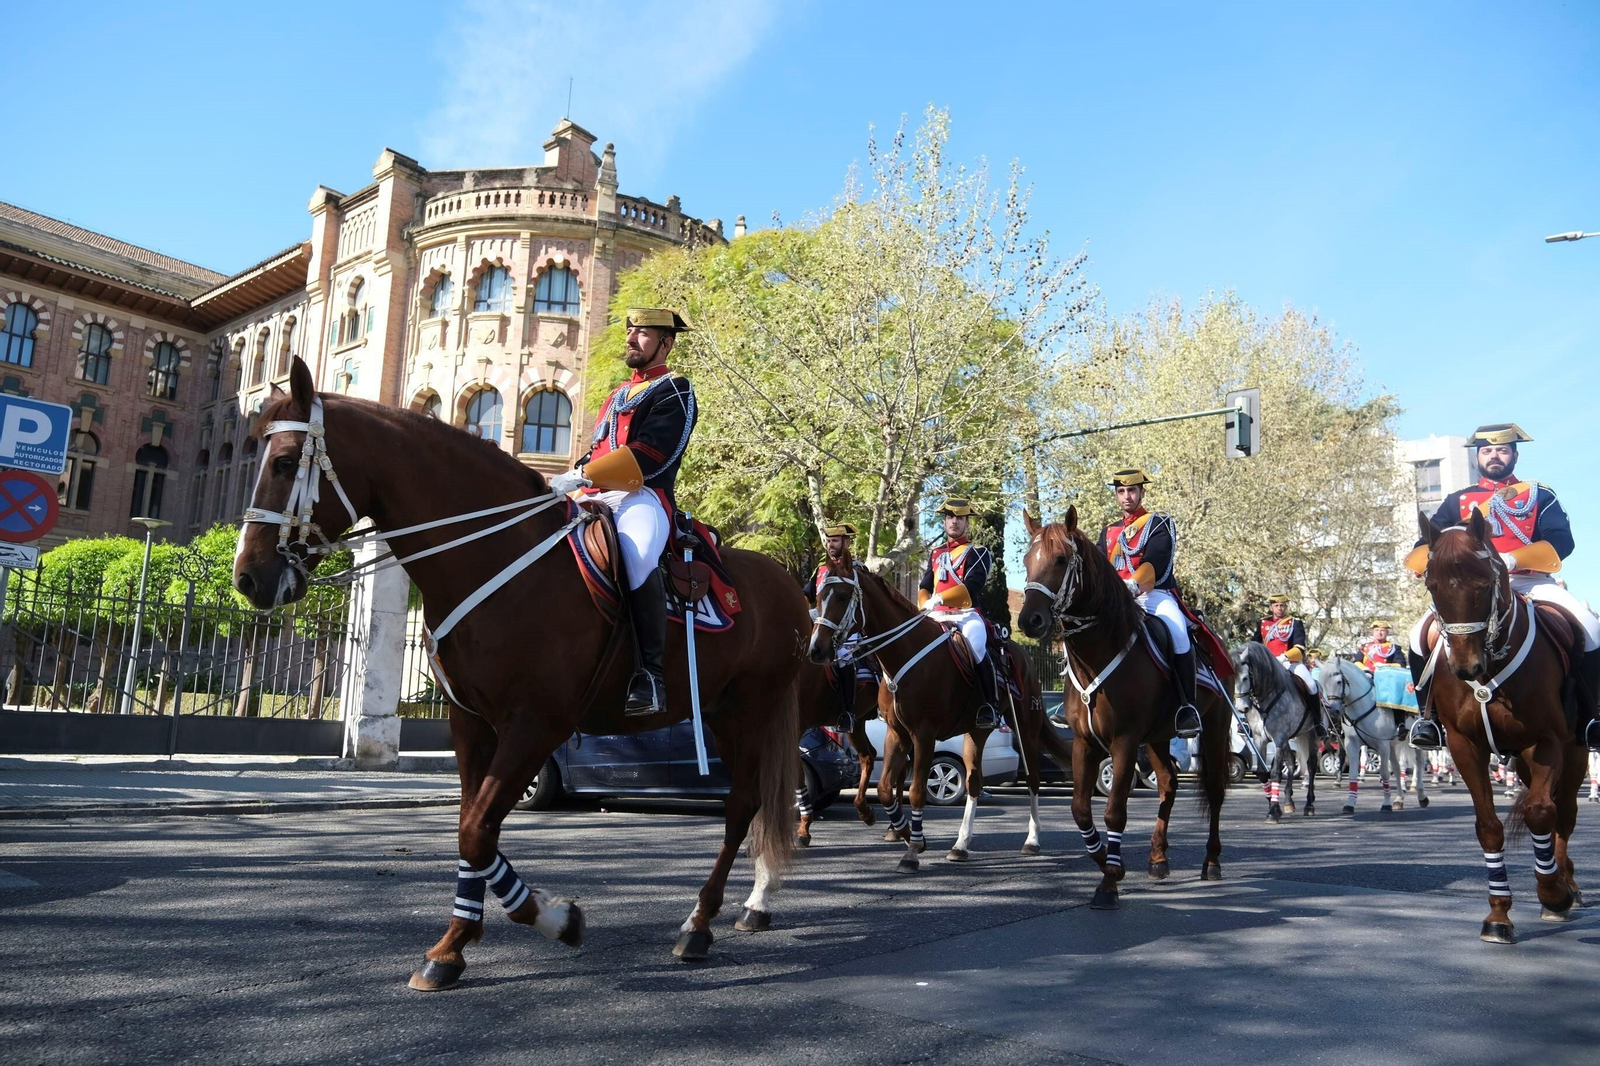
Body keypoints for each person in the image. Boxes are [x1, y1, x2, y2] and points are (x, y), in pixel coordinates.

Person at [1407, 424, 1600, 751]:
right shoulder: (1459, 500)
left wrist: (1514, 559)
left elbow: (1561, 541)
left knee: (1591, 627)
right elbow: (1427, 543)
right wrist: (1429, 563)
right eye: (1487, 451)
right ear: (1478, 457)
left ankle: (1591, 717)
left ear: (1514, 455)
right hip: (1475, 589)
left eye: (1502, 450)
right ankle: (1429, 719)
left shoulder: (1539, 495)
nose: (1494, 456)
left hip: (1530, 579)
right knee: (1417, 635)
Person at [551, 308, 697, 716]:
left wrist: (582, 475)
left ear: (665, 343)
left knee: (636, 557)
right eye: (630, 332)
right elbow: (599, 448)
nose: (631, 339)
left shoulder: (675, 390)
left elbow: (650, 455)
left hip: (641, 496)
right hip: (596, 493)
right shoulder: (617, 394)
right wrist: (571, 476)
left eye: (643, 334)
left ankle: (650, 676)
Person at [1096, 468, 1202, 739]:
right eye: (1121, 491)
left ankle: (1187, 706)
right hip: (1114, 601)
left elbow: (1155, 561)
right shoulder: (1109, 532)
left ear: (1142, 492)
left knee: (1178, 631)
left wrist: (1133, 584)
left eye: (1131, 491)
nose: (1126, 496)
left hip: (1152, 595)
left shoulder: (1158, 523)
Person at [918, 498, 1000, 730]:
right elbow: (925, 584)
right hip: (936, 614)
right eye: (950, 517)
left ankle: (990, 705)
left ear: (967, 523)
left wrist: (941, 598)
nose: (954, 522)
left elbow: (973, 585)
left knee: (976, 645)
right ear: (944, 522)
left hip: (966, 614)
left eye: (960, 518)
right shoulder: (935, 553)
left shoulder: (978, 552)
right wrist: (924, 603)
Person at [803, 522, 878, 731]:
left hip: (847, 625)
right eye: (828, 541)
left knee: (843, 655)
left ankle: (848, 711)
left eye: (834, 540)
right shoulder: (821, 570)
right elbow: (806, 595)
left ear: (846, 542)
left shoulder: (858, 570)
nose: (830, 544)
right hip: (821, 621)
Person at [1253, 595, 1326, 737]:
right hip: (1269, 665)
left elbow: (1300, 648)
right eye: (1276, 606)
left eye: (1282, 605)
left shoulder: (1294, 623)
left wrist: (1284, 657)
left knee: (1311, 685)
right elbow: (1255, 644)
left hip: (1290, 662)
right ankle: (1244, 722)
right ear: (1271, 607)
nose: (1280, 608)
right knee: (1249, 683)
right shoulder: (1263, 623)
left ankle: (1318, 722)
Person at [1359, 620, 1410, 733]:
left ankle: (1400, 722)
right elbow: (1356, 661)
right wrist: (1364, 668)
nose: (1379, 633)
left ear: (1387, 632)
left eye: (1382, 630)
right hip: (1367, 675)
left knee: (1396, 691)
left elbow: (1400, 664)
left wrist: (1385, 666)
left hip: (1386, 677)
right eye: (1377, 630)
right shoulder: (1364, 647)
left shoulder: (1394, 648)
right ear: (1372, 632)